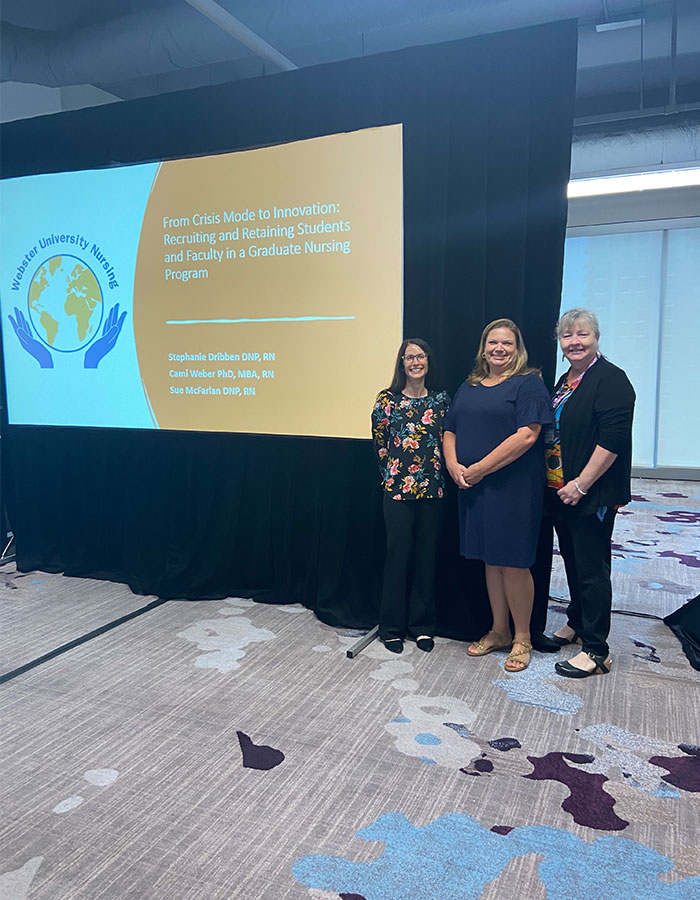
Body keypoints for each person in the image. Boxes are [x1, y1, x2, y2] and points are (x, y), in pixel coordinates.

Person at [443, 319, 553, 672]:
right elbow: (450, 430)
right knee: (491, 560)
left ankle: (523, 637)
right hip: (475, 487)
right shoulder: (470, 385)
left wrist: (479, 469)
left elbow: (527, 436)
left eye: (506, 343)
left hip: (513, 488)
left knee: (514, 562)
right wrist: (454, 467)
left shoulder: (528, 384)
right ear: (484, 347)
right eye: (493, 343)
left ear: (517, 348)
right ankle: (499, 630)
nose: (499, 349)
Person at [542, 308, 635, 678]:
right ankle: (577, 624)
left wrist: (581, 484)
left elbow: (613, 441)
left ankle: (597, 650)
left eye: (582, 335)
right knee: (573, 560)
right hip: (561, 491)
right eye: (567, 336)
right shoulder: (566, 380)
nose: (575, 342)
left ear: (596, 338)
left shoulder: (611, 379)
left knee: (592, 568)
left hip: (590, 492)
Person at [372, 339, 450, 654]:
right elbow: (379, 444)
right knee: (398, 555)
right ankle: (391, 627)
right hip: (397, 491)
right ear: (401, 363)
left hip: (433, 489)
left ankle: (422, 626)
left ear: (428, 361)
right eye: (409, 357)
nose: (415, 362)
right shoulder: (386, 400)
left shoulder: (442, 400)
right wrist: (391, 475)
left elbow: (450, 441)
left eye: (420, 356)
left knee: (426, 556)